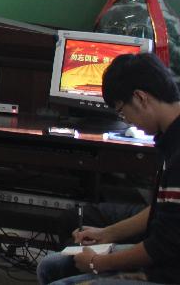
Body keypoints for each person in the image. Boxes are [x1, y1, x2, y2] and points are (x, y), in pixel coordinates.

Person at [36, 52, 180, 285]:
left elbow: (162, 247)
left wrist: (98, 262)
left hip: (168, 270)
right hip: (164, 260)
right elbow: (160, 211)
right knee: (51, 266)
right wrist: (107, 233)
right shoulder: (169, 137)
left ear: (140, 98)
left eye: (122, 111)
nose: (127, 121)